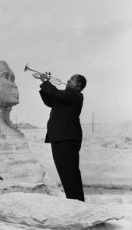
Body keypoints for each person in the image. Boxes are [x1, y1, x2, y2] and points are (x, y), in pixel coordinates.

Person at [38, 72, 87, 202]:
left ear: (78, 85)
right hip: (60, 138)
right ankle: (74, 201)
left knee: (70, 173)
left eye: (71, 79)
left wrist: (46, 82)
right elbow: (49, 100)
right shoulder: (65, 97)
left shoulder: (75, 96)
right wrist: (43, 85)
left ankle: (77, 202)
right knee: (66, 173)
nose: (67, 80)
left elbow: (55, 93)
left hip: (67, 138)